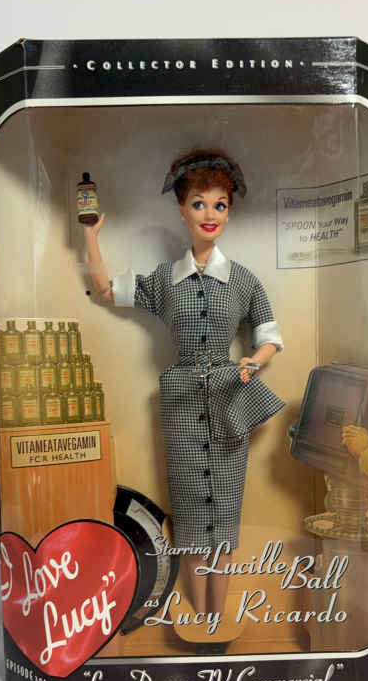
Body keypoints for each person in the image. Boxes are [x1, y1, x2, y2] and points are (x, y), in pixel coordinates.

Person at [82, 148, 284, 618]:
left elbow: (270, 336)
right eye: (199, 203)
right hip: (180, 405)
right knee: (191, 514)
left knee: (225, 511)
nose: (210, 214)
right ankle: (201, 613)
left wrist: (252, 363)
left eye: (220, 204)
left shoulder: (244, 281)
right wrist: (90, 235)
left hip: (229, 401)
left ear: (228, 212)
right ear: (181, 209)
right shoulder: (165, 281)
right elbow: (107, 290)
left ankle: (218, 613)